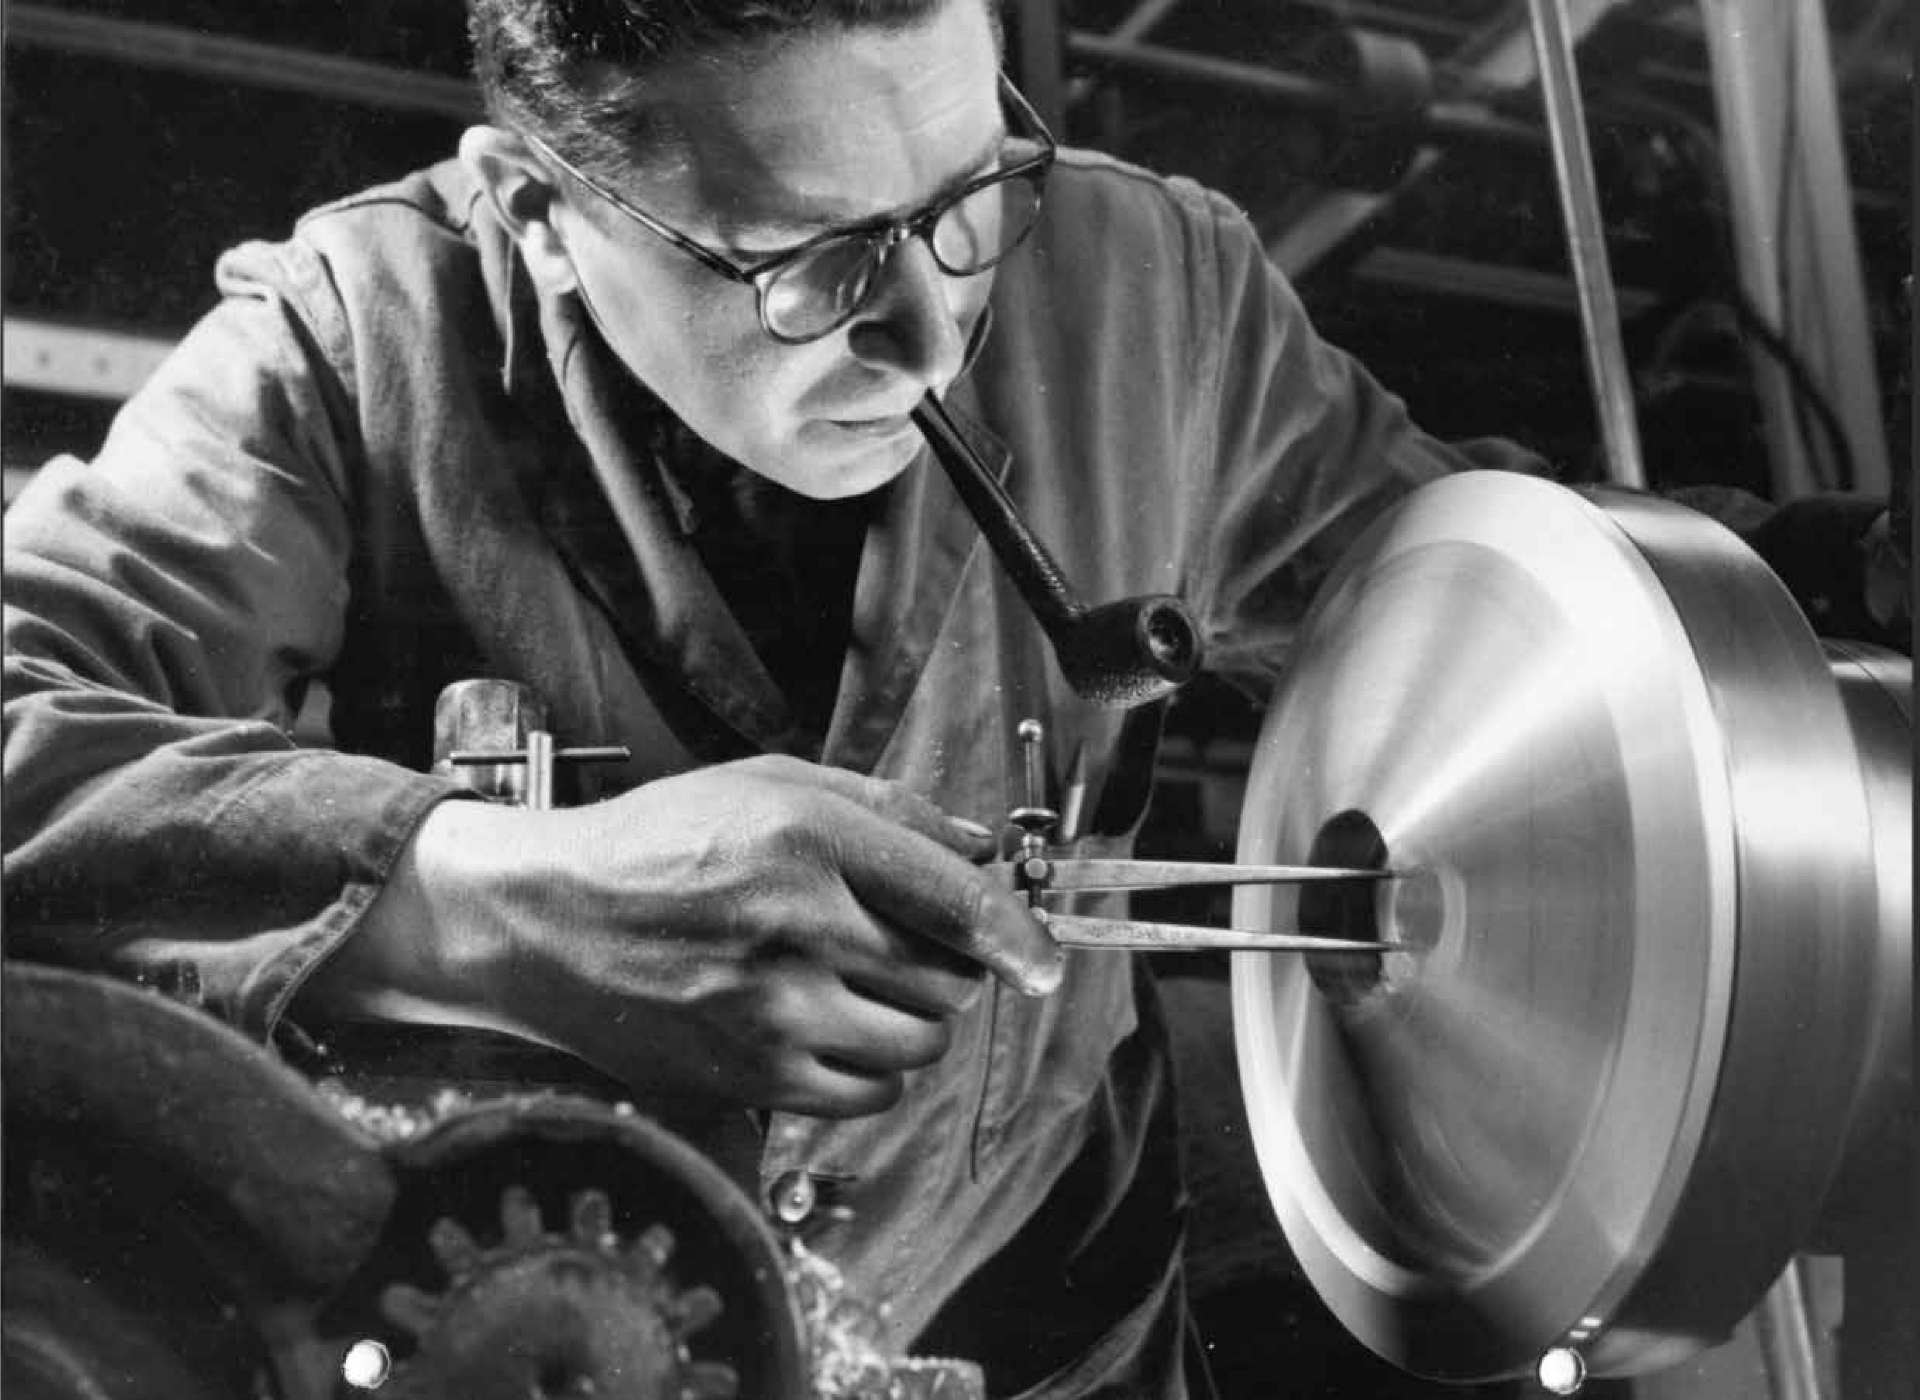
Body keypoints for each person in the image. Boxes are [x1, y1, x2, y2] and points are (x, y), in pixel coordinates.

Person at [2, 1, 1899, 1394]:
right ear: (537, 206)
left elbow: (1480, 588)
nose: (934, 332)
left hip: (1050, 1330)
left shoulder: (1143, 287)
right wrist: (500, 906)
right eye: (813, 261)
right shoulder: (345, 350)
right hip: (558, 1337)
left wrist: (1847, 568)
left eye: (968, 191)